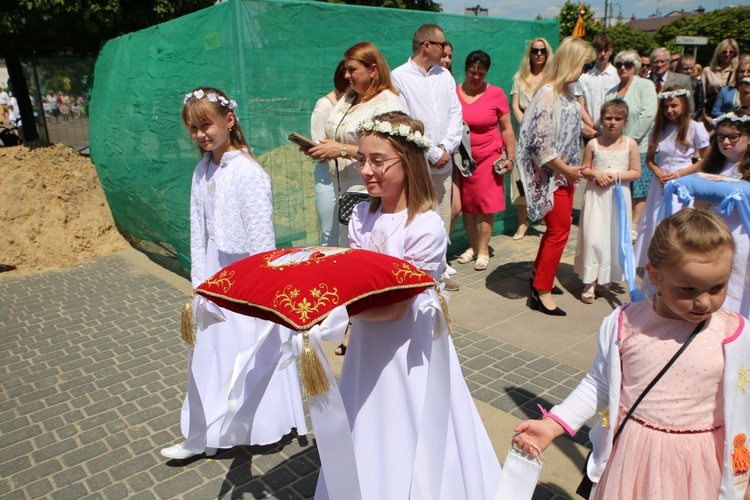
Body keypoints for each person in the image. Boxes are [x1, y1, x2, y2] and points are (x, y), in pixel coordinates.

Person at [315, 110, 502, 499]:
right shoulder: (362, 216)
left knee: (412, 414)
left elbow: (397, 307)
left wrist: (335, 313)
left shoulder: (424, 226)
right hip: (368, 341)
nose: (366, 170)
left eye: (378, 161)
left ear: (409, 161)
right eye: (361, 159)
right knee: (368, 412)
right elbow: (354, 279)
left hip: (408, 344)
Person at [514, 208, 750, 500]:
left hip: (700, 462)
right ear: (655, 275)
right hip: (634, 456)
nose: (703, 301)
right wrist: (553, 423)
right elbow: (599, 383)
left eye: (717, 287)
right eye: (687, 289)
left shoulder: (735, 333)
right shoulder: (624, 324)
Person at [161, 87, 307, 460]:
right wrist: (200, 279)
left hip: (245, 273)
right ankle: (215, 422)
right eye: (193, 128)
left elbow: (261, 237)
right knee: (216, 344)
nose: (200, 135)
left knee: (250, 343)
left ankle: (261, 424)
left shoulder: (247, 172)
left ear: (229, 121)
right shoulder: (203, 168)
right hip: (215, 269)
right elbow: (199, 226)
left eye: (206, 125)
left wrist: (262, 287)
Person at [517, 36, 596, 316]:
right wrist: (567, 170)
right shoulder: (548, 93)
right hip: (553, 177)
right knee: (559, 232)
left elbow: (575, 130)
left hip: (565, 175)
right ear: (572, 62)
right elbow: (540, 145)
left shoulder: (566, 94)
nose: (585, 72)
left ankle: (540, 277)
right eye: (585, 65)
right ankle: (541, 291)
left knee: (556, 231)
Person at [307, 42, 404, 249]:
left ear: (373, 70)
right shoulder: (349, 98)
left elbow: (388, 151)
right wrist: (322, 148)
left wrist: (341, 150)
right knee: (345, 245)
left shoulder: (387, 103)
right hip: (341, 189)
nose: (347, 76)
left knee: (366, 246)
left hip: (368, 190)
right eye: (346, 70)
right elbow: (337, 134)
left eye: (352, 70)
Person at [391, 24, 463, 292]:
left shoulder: (444, 75)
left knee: (442, 219)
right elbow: (403, 122)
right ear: (426, 46)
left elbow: (456, 114)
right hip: (416, 165)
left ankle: (439, 271)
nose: (445, 50)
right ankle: (413, 273)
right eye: (441, 44)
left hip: (444, 164)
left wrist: (446, 148)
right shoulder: (398, 77)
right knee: (416, 217)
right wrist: (431, 152)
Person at [634, 88, 710, 267]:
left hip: (682, 180)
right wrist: (659, 173)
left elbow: (706, 158)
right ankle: (656, 259)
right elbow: (650, 159)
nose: (670, 111)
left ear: (684, 104)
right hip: (661, 180)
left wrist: (679, 174)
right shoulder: (659, 128)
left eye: (674, 105)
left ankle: (678, 259)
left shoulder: (695, 127)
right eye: (666, 107)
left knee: (677, 220)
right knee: (655, 219)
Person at [574, 100, 641, 304]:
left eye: (618, 119)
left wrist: (616, 176)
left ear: (625, 121)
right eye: (608, 118)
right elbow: (584, 168)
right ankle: (590, 280)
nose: (613, 122)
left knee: (612, 237)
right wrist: (595, 173)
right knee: (593, 236)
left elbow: (636, 171)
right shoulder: (594, 143)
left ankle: (605, 278)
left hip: (618, 197)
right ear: (601, 120)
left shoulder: (631, 144)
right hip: (596, 196)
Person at [455, 50, 515, 271]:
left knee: (484, 206)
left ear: (487, 72)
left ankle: (483, 249)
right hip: (462, 159)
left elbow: (507, 129)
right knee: (468, 207)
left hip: (489, 156)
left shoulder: (496, 94)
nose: (476, 77)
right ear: (466, 69)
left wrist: (510, 157)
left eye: (481, 73)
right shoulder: (454, 92)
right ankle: (472, 247)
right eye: (472, 72)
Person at [699, 110, 750, 318]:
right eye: (721, 137)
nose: (726, 142)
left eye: (733, 137)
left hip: (741, 233)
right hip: (714, 232)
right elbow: (699, 203)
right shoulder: (712, 167)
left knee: (738, 284)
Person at [606, 49, 658, 241]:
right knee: (620, 187)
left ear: (635, 66)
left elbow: (648, 114)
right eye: (619, 64)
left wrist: (631, 141)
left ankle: (635, 228)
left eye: (627, 64)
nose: (622, 68)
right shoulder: (612, 91)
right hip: (616, 148)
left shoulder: (645, 85)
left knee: (639, 191)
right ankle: (620, 223)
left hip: (640, 147)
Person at [510, 37, 554, 240]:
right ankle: (522, 222)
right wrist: (527, 127)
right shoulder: (520, 77)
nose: (538, 54)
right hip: (524, 134)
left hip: (546, 133)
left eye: (542, 51)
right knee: (521, 178)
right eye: (535, 50)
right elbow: (515, 106)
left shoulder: (553, 77)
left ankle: (546, 219)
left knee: (545, 175)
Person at [310, 60, 349, 247]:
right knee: (330, 233)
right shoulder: (324, 106)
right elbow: (320, 146)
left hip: (351, 175)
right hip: (328, 177)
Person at [578, 35, 620, 132]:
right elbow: (581, 107)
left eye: (606, 50)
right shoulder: (584, 78)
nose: (602, 54)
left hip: (613, 130)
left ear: (611, 51)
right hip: (592, 130)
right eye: (599, 50)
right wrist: (594, 128)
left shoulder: (617, 76)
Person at [703, 39, 741, 121]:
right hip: (710, 111)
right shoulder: (708, 71)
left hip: (729, 112)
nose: (727, 54)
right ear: (718, 52)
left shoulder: (736, 71)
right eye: (724, 52)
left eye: (731, 52)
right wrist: (705, 116)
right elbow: (702, 96)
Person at [677, 54, 705, 120]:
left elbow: (700, 106)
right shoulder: (674, 82)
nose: (689, 71)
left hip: (691, 118)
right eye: (686, 69)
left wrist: (691, 118)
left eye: (691, 68)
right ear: (679, 68)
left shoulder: (697, 83)